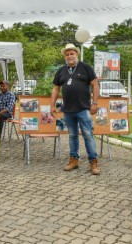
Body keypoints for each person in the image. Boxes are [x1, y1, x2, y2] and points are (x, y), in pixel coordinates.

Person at [50, 43, 101, 175]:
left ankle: (93, 162)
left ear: (76, 54)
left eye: (71, 53)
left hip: (83, 108)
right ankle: (74, 161)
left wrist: (95, 103)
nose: (69, 56)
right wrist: (52, 105)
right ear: (64, 56)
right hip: (68, 110)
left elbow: (95, 84)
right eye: (67, 54)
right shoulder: (61, 71)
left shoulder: (85, 68)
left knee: (88, 135)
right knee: (72, 136)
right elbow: (56, 88)